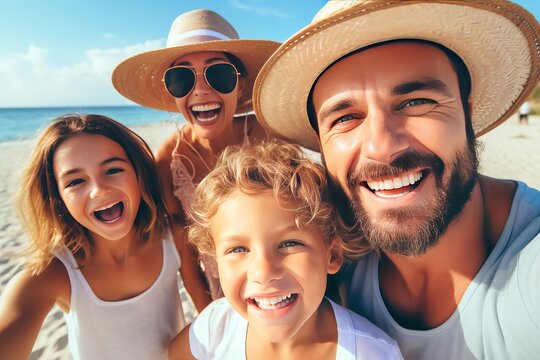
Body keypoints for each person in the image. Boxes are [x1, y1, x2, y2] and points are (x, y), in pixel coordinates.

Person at [253, 1, 540, 359]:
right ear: (322, 146)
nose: (382, 147)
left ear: (467, 112)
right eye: (345, 118)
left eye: (416, 101)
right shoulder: (329, 254)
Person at [168, 141, 402, 359]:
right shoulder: (214, 327)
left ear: (331, 255)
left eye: (289, 244)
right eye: (238, 249)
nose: (263, 271)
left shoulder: (374, 353)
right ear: (215, 261)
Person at [112, 9, 280, 306]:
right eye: (182, 79)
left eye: (219, 74)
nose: (201, 90)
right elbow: (186, 259)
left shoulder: (269, 133)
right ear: (171, 92)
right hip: (222, 294)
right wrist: (208, 317)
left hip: (282, 276)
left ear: (240, 85)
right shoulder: (167, 163)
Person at [0, 114, 186, 359]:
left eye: (113, 169)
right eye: (75, 181)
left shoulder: (171, 237)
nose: (99, 190)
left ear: (138, 173)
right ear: (58, 198)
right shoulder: (51, 275)